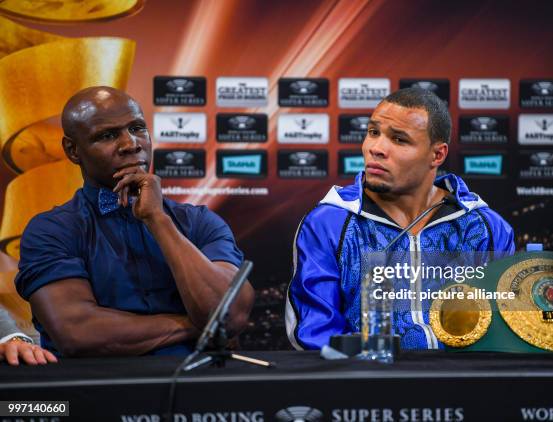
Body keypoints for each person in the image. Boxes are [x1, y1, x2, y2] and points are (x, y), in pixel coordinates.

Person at [15, 86, 254, 357]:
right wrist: (201, 326)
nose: (131, 144)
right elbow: (79, 332)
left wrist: (158, 220)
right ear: (73, 150)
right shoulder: (51, 231)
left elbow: (230, 315)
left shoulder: (200, 222)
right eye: (107, 135)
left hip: (196, 389)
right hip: (98, 393)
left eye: (137, 128)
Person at [286, 87, 515, 351]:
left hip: (459, 386)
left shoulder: (484, 227)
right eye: (373, 132)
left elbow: (499, 332)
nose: (376, 148)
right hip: (365, 385)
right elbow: (316, 336)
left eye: (399, 139)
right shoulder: (329, 223)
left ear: (437, 155)